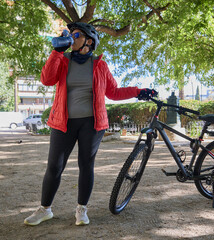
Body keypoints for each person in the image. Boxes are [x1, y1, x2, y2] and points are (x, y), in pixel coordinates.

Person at [24, 22, 157, 226]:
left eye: (75, 34)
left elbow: (113, 92)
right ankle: (45, 209)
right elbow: (46, 79)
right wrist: (56, 51)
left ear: (89, 41)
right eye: (70, 34)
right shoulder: (63, 59)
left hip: (92, 124)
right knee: (54, 166)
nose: (71, 38)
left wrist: (139, 92)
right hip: (63, 123)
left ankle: (81, 210)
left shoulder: (99, 65)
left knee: (86, 166)